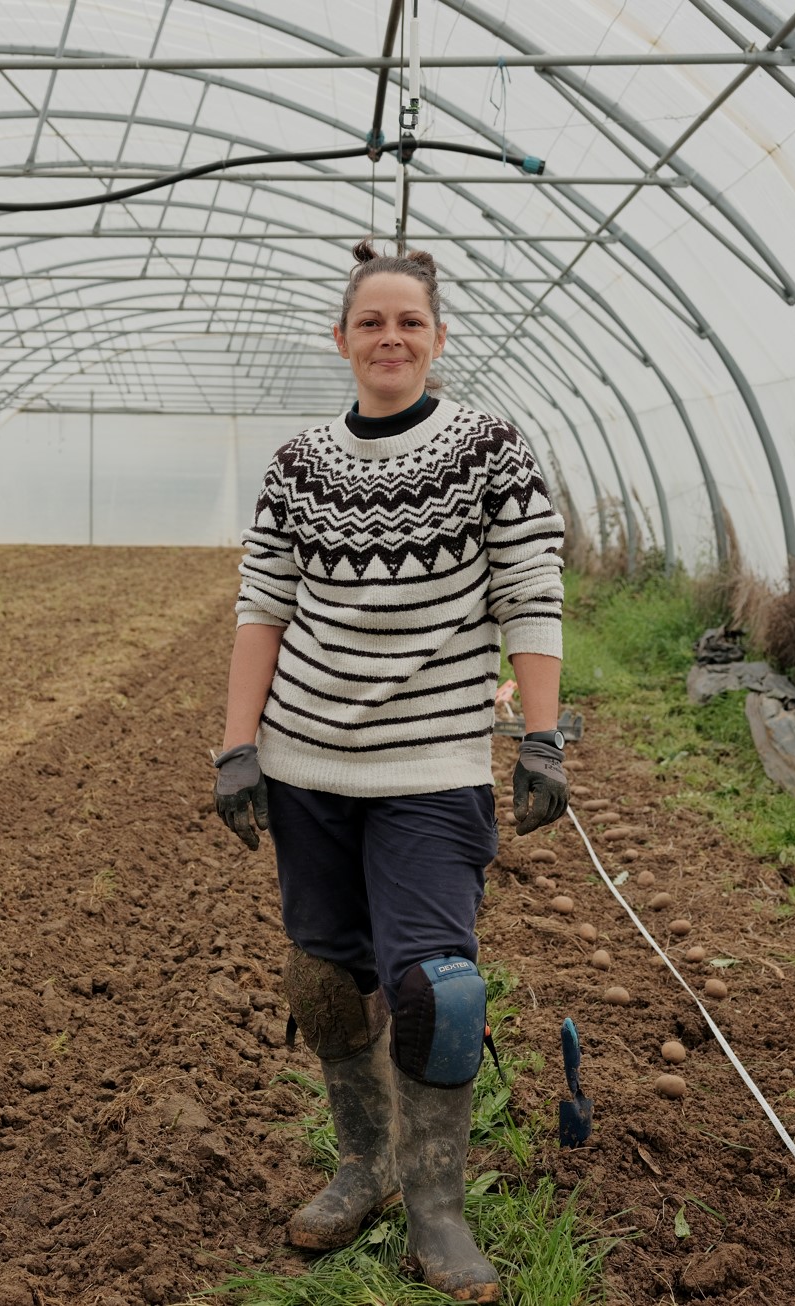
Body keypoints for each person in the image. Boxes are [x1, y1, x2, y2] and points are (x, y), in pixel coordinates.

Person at [210, 239, 569, 1301]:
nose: (390, 338)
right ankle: (361, 1163)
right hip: (307, 761)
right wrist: (238, 747)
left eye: (410, 321)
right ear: (342, 340)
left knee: (438, 990)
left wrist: (541, 735)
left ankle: (435, 1204)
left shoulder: (490, 450)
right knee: (325, 980)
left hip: (434, 765)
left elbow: (532, 592)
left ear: (439, 337)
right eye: (371, 322)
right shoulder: (300, 463)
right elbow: (262, 608)